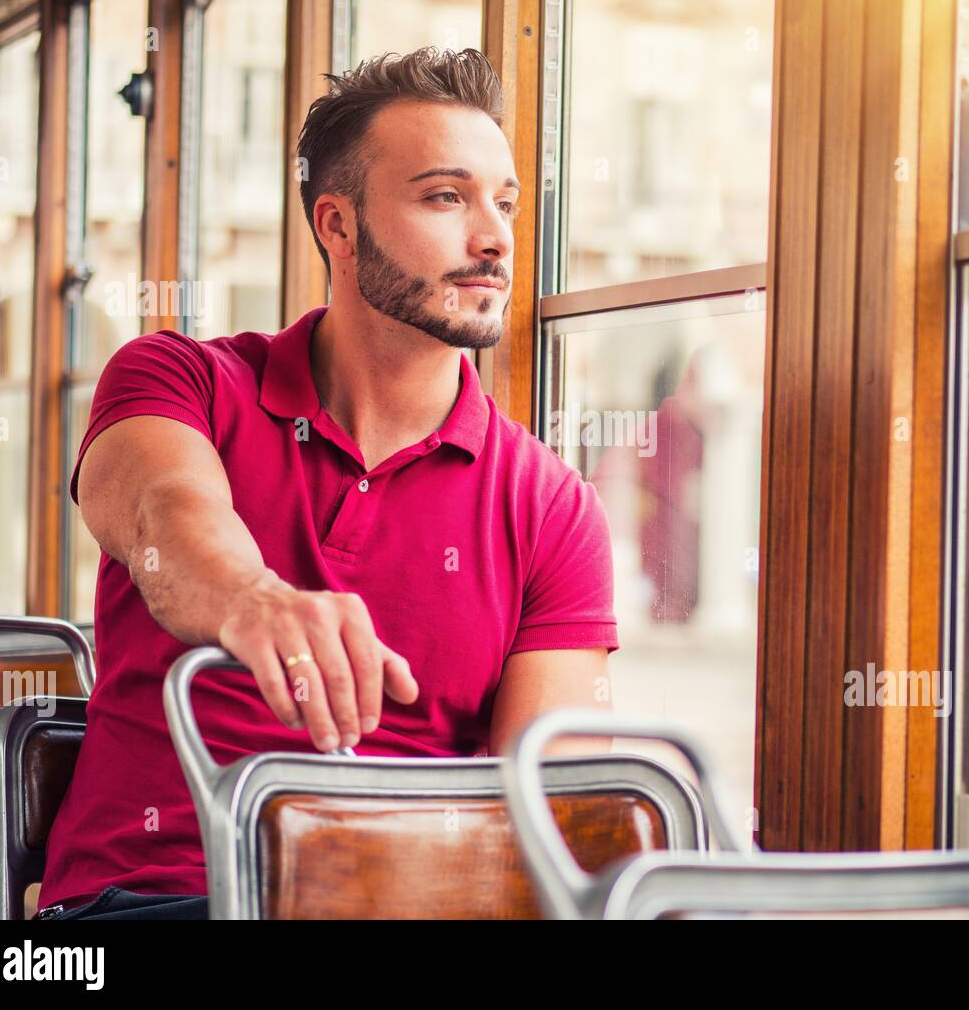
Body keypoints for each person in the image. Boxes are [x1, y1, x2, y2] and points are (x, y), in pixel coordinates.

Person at [34, 47, 618, 920]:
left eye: (504, 202)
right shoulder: (176, 379)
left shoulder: (555, 510)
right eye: (445, 197)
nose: (493, 237)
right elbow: (166, 513)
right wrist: (251, 597)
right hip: (144, 902)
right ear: (337, 226)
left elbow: (539, 813)